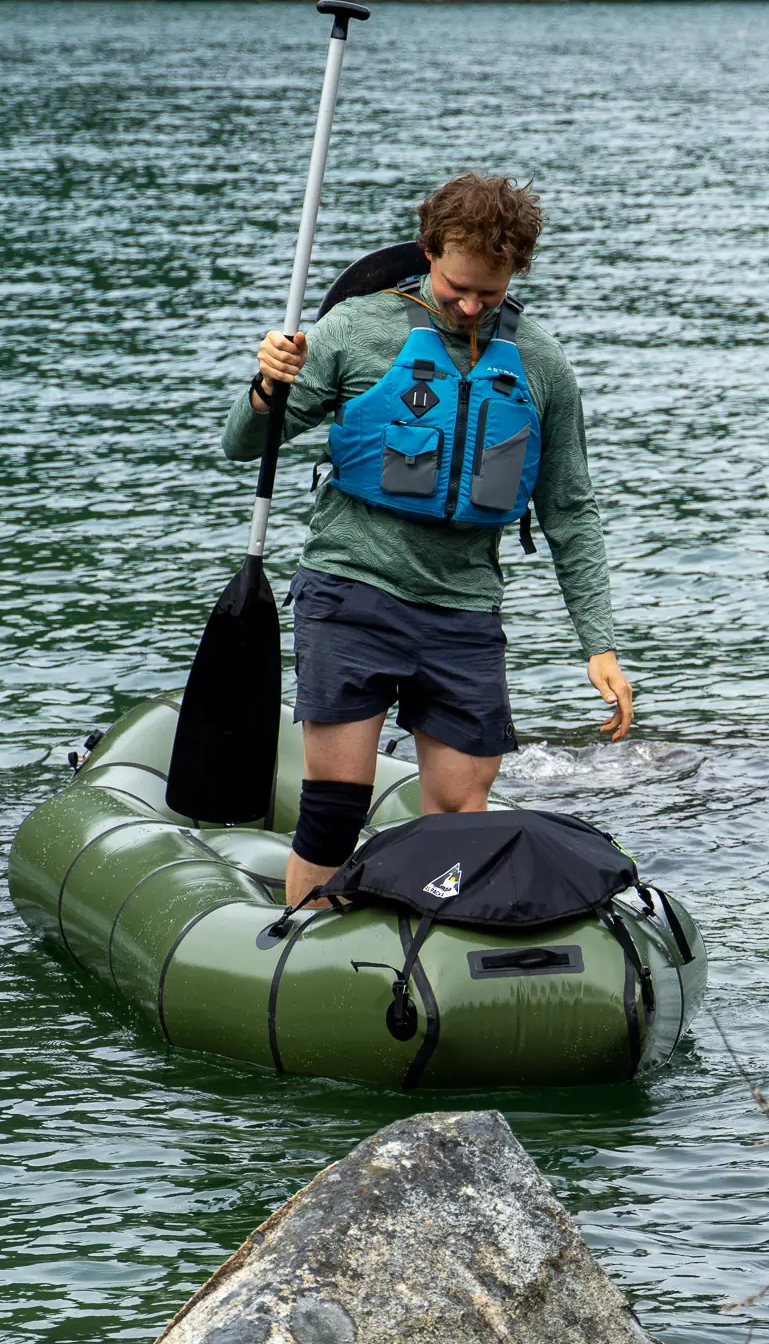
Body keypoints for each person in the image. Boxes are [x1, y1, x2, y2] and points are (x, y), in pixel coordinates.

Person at [222, 172, 631, 910]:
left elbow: (571, 511)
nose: (472, 306)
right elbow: (242, 443)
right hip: (352, 592)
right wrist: (265, 386)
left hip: (464, 610)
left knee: (459, 821)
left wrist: (598, 643)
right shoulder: (355, 329)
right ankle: (306, 952)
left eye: (491, 291)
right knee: (333, 809)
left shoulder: (542, 366)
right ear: (428, 252)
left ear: (518, 272)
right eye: (456, 288)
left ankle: (428, 964)